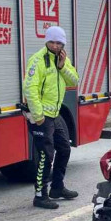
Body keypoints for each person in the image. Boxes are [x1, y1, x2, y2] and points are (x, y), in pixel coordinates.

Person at [23, 26, 80, 209]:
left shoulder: (62, 58)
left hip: (55, 115)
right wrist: (38, 115)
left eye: (59, 42)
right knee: (46, 155)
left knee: (64, 149)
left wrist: (63, 67)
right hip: (41, 116)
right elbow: (29, 89)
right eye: (52, 42)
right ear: (46, 41)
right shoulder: (38, 60)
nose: (55, 46)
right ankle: (40, 196)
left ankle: (57, 188)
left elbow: (74, 80)